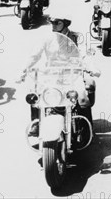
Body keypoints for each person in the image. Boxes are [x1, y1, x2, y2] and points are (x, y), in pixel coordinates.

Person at [18, 10, 100, 138]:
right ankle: (37, 123)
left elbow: (85, 54)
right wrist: (23, 70)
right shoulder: (47, 38)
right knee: (35, 94)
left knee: (82, 97)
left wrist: (92, 68)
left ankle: (87, 128)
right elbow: (34, 55)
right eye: (52, 22)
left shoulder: (77, 37)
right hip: (52, 74)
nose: (53, 25)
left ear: (65, 24)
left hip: (72, 74)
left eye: (57, 23)